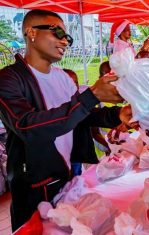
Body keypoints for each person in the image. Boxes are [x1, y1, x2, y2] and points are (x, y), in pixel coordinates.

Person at [0, 9, 132, 231]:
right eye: (58, 33)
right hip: (33, 187)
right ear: (31, 32)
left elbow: (81, 115)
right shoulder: (9, 79)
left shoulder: (62, 77)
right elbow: (28, 126)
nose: (64, 41)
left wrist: (116, 114)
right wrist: (90, 96)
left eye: (67, 37)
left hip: (67, 176)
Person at [63, 68, 82, 176]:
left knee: (76, 179)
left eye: (76, 82)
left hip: (76, 154)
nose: (75, 86)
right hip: (63, 158)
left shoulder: (79, 104)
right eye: (70, 83)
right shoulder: (56, 109)